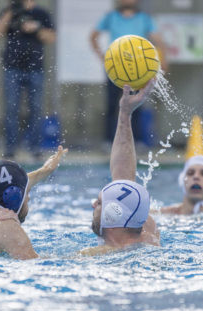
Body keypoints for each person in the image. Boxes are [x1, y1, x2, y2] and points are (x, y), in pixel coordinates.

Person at [80, 82, 160, 257]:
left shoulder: (92, 255)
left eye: (100, 202)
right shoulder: (148, 235)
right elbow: (124, 184)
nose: (93, 204)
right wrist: (125, 113)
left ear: (113, 214)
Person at [90, 0, 167, 146]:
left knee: (137, 105)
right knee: (111, 105)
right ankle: (108, 141)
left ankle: (137, 141)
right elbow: (93, 37)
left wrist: (163, 61)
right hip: (116, 70)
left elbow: (158, 41)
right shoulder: (111, 17)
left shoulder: (144, 18)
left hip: (138, 71)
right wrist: (103, 57)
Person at [0, 0, 56, 158]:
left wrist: (36, 28)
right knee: (11, 109)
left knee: (36, 109)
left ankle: (34, 148)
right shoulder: (9, 11)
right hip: (12, 68)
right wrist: (9, 14)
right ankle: (10, 148)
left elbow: (51, 38)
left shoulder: (41, 13)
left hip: (35, 68)